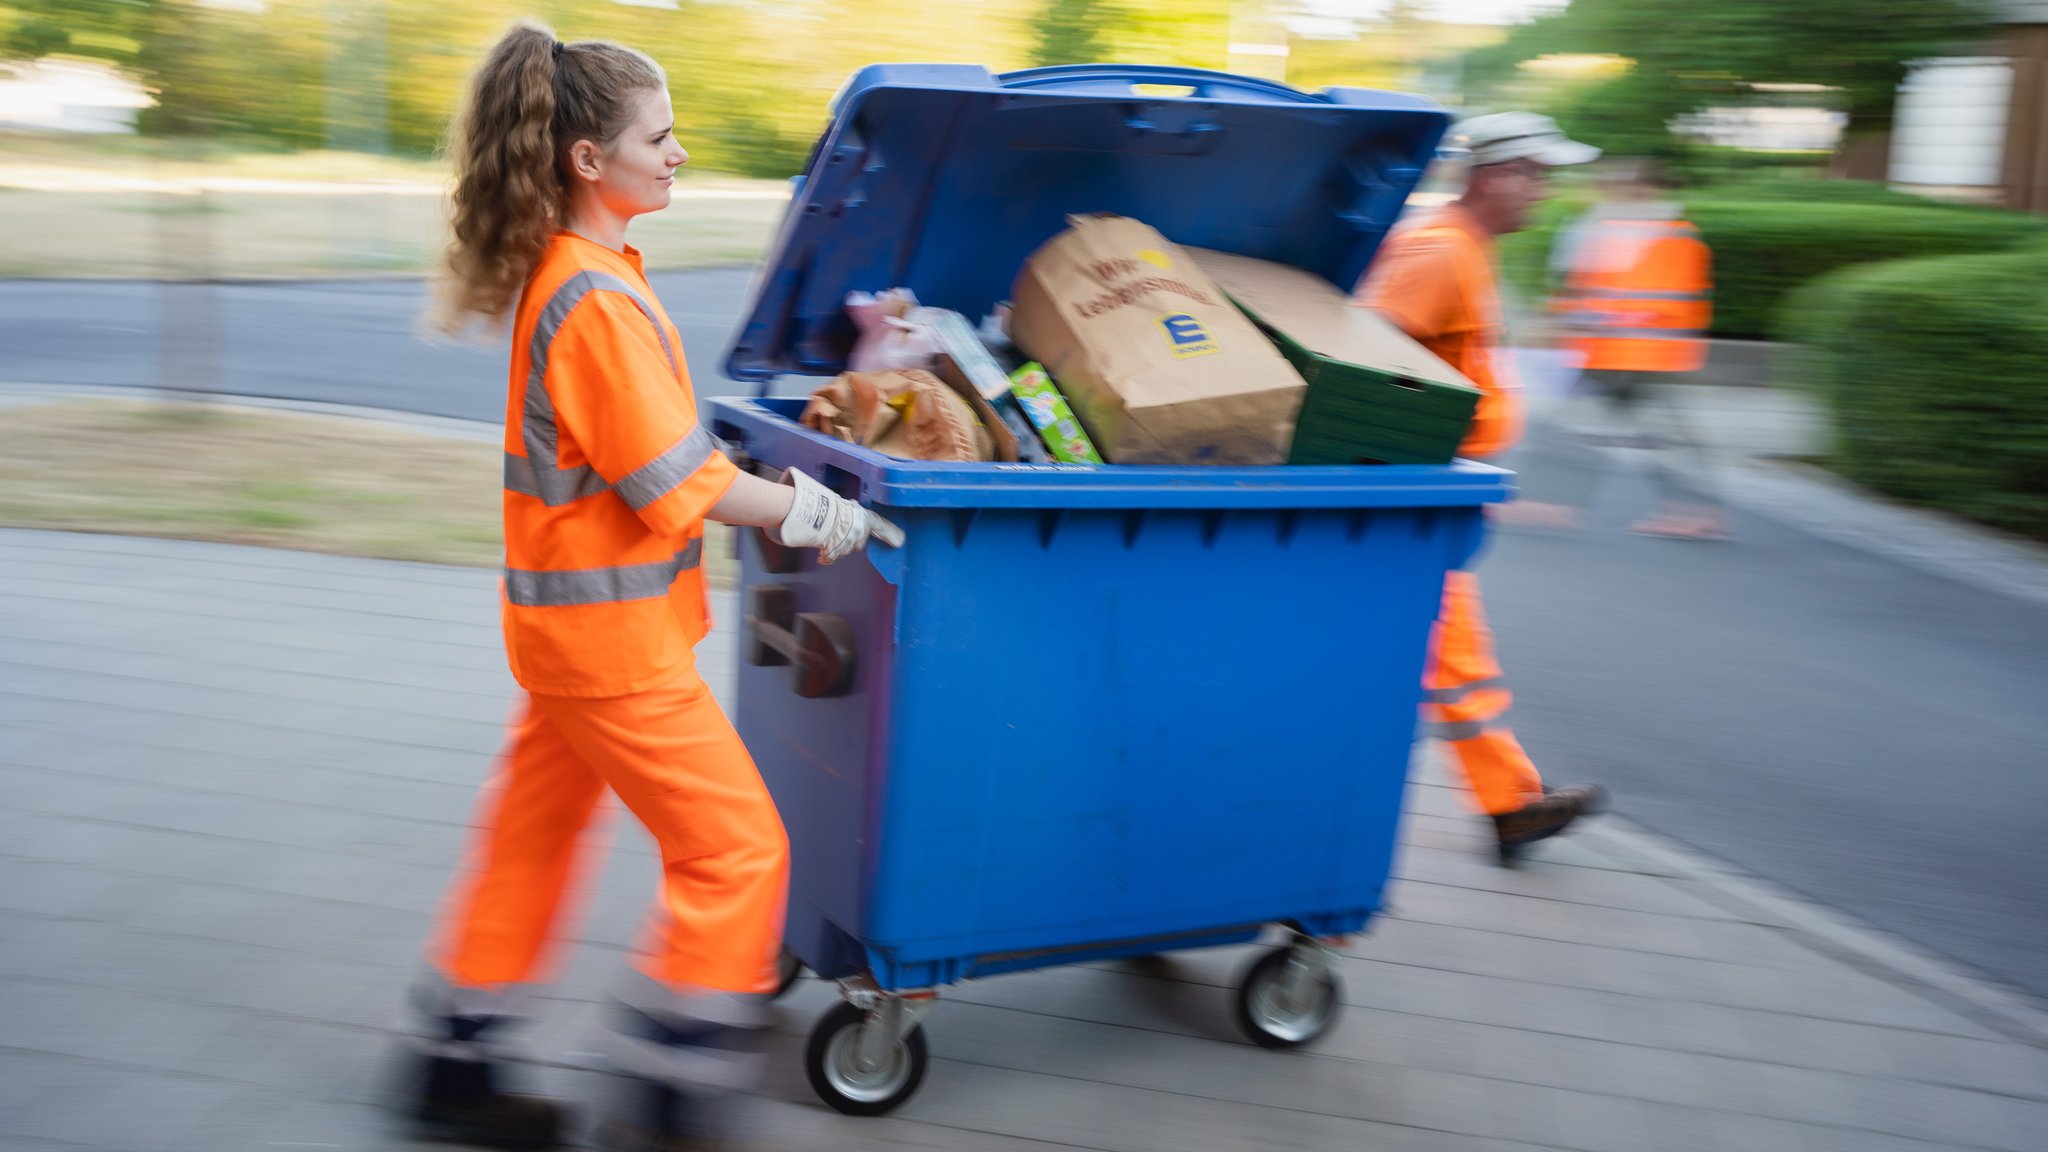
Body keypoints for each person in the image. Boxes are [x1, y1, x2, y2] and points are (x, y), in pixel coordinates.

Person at [400, 22, 902, 1150]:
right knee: (737, 851)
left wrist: (761, 480)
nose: (676, 154)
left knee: (531, 834)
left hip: (565, 634)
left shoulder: (580, 276)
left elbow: (635, 456)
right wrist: (816, 511)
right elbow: (677, 481)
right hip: (613, 649)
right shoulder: (595, 299)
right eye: (658, 137)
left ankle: (455, 1058)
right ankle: (671, 1091)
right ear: (589, 159)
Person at [1355, 111, 1607, 865]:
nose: (1545, 190)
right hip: (1411, 489)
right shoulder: (1440, 251)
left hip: (1429, 487)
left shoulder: (1463, 247)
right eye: (1538, 174)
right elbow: (1370, 356)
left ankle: (1509, 800)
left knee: (1448, 649)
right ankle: (1508, 802)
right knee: (1449, 649)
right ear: (1497, 175)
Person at [1540, 160, 1725, 538]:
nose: (1616, 192)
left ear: (1653, 190)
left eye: (1626, 186)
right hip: (1614, 353)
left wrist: (1588, 317)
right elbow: (1583, 287)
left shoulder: (1666, 234)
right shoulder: (1614, 227)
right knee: (1642, 435)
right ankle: (1552, 504)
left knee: (1586, 429)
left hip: (1641, 355)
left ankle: (1551, 504)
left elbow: (1657, 301)